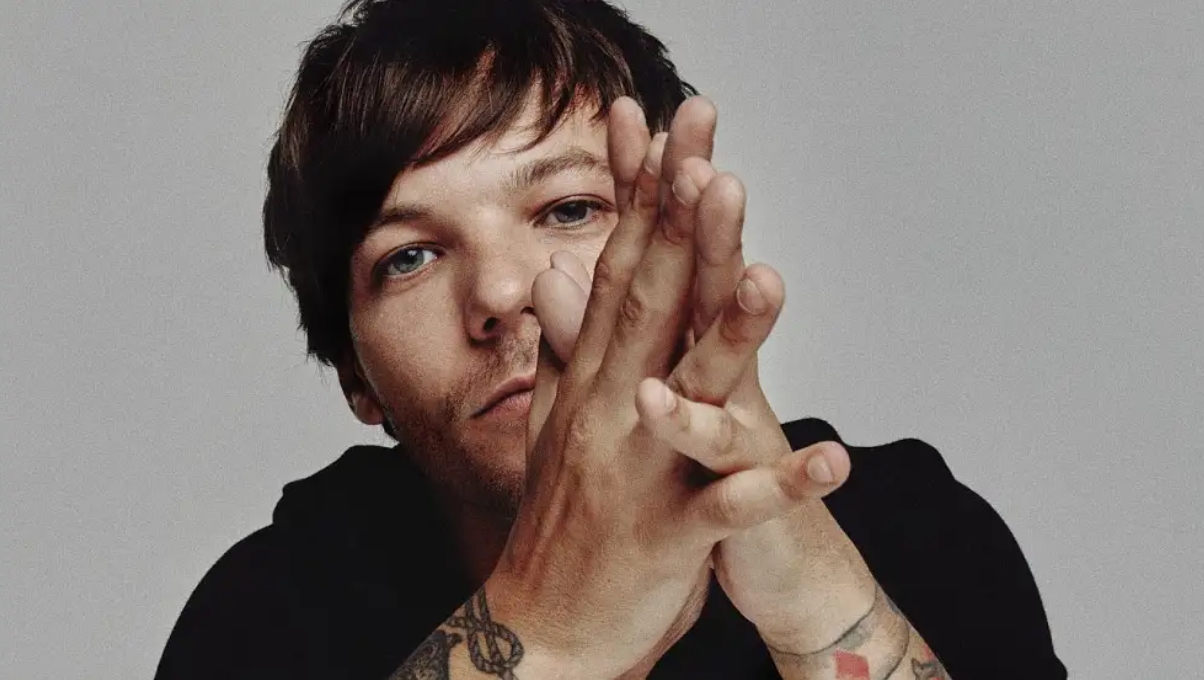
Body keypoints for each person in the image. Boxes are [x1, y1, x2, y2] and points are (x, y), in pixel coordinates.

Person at [154, 1, 1067, 678]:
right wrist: (546, 629)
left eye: (568, 209)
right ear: (357, 376)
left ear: (682, 241)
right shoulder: (268, 612)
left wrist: (818, 607)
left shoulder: (915, 532)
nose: (501, 292)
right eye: (410, 257)